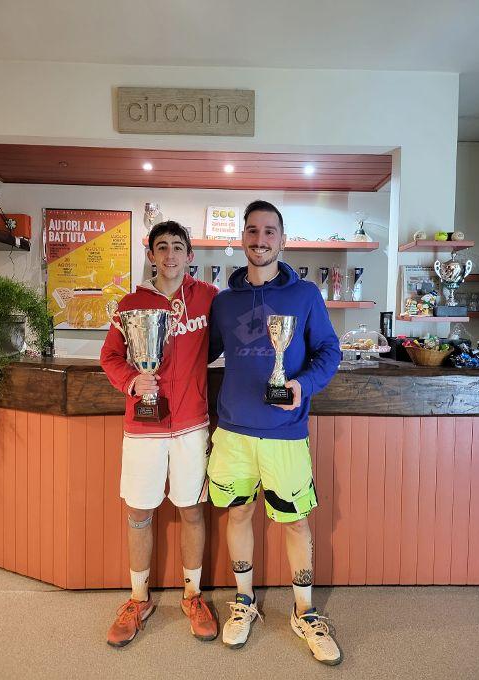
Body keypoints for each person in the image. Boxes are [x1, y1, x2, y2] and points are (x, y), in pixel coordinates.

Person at [207, 200, 342, 665]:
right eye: (252, 231)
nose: (260, 239)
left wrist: (302, 386)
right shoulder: (223, 302)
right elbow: (201, 352)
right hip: (233, 433)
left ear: (282, 240)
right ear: (242, 238)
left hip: (285, 432)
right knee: (238, 514)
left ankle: (304, 612)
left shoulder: (305, 296)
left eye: (269, 232)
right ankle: (244, 602)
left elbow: (328, 351)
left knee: (295, 521)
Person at [100, 220, 218, 647]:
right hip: (143, 426)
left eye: (178, 247)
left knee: (191, 511)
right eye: (162, 247)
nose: (170, 255)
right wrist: (133, 380)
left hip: (190, 424)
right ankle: (138, 599)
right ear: (151, 254)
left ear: (190, 255)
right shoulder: (130, 303)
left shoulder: (208, 298)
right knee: (139, 513)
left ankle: (192, 595)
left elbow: (220, 343)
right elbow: (110, 356)